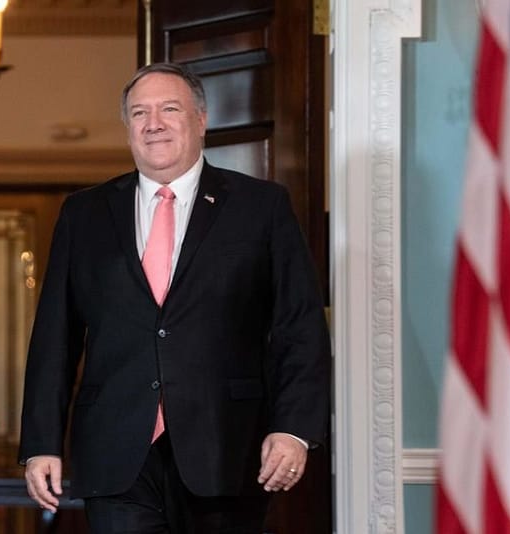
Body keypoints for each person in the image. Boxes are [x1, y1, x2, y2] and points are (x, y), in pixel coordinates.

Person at [19, 62, 330, 533]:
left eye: (169, 109)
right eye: (139, 112)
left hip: (227, 448)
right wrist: (41, 442)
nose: (154, 123)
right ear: (128, 128)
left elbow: (299, 327)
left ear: (201, 120)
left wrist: (294, 429)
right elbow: (54, 339)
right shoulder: (84, 214)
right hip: (116, 453)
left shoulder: (260, 206)